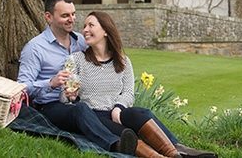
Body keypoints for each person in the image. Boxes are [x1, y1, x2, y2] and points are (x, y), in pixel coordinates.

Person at [61, 11, 217, 158]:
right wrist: (69, 96)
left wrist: (118, 108)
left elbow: (128, 92)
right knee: (126, 133)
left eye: (91, 25)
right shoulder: (76, 60)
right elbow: (64, 98)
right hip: (93, 115)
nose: (85, 30)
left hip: (117, 112)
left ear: (106, 31)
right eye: (85, 26)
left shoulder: (122, 61)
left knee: (140, 113)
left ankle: (178, 149)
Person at [17, 0, 138, 156]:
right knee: (81, 110)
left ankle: (159, 145)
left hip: (77, 100)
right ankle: (114, 145)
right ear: (48, 17)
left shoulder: (81, 41)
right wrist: (50, 83)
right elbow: (21, 88)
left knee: (86, 108)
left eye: (73, 14)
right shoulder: (35, 48)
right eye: (65, 15)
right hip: (50, 106)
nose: (71, 19)